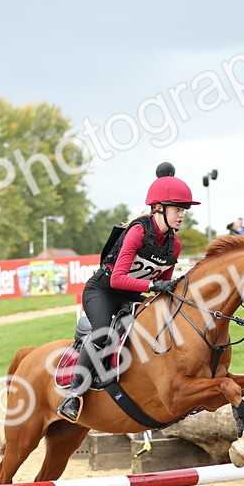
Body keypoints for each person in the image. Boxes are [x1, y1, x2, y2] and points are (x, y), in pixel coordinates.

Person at [57, 162, 196, 422]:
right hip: (104, 291)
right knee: (101, 335)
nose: (182, 215)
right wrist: (154, 286)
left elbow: (162, 286)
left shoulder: (173, 245)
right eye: (178, 209)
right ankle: (72, 395)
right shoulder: (137, 232)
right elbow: (119, 278)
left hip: (134, 296)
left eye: (183, 210)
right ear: (159, 209)